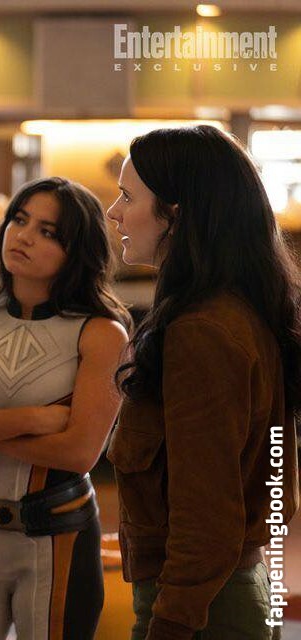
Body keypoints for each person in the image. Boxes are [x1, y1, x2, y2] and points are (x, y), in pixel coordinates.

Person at [106, 125, 300, 640]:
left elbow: (206, 513)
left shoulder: (202, 331)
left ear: (176, 214)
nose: (114, 211)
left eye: (128, 196)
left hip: (201, 604)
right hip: (226, 590)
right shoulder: (234, 310)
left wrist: (171, 623)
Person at [0, 176, 130, 640]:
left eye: (48, 231)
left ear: (77, 251)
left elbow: (78, 453)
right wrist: (34, 419)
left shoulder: (102, 334)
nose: (25, 236)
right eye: (19, 219)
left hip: (60, 533)